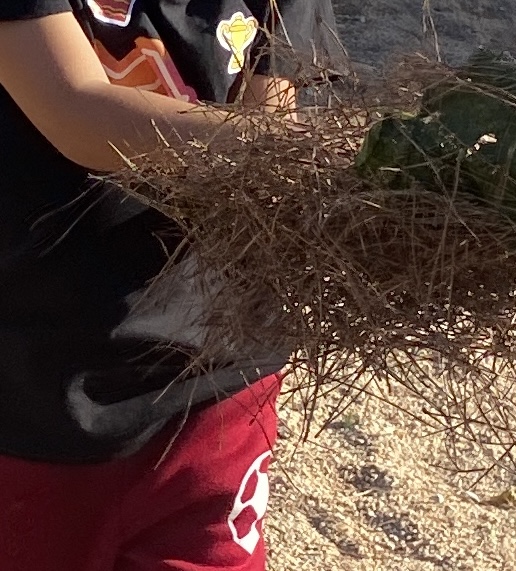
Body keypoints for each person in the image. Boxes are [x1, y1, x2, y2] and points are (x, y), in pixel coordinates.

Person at [0, 1, 347, 569]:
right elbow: (75, 107)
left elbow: (270, 118)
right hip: (37, 391)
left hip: (222, 375)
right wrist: (327, 154)